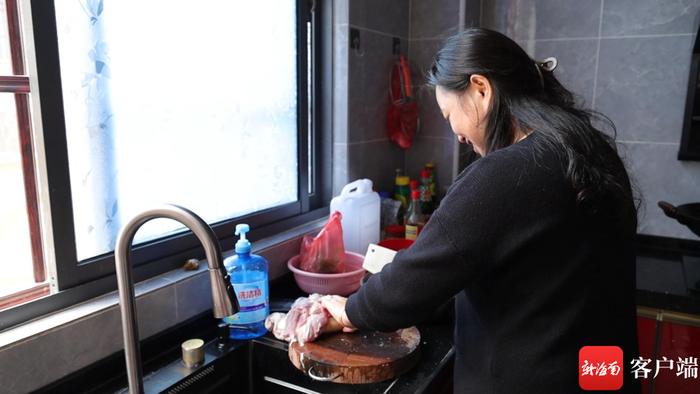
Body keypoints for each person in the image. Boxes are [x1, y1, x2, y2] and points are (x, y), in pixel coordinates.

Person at [321, 28, 641, 393]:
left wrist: (347, 311)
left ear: (481, 89)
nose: (456, 133)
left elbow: (416, 276)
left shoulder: (505, 173)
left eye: (448, 114)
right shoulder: (589, 149)